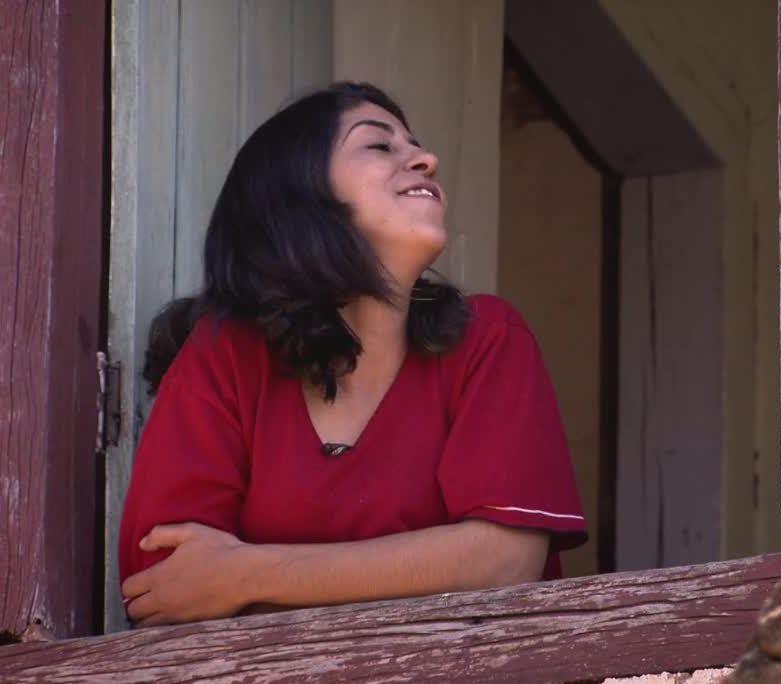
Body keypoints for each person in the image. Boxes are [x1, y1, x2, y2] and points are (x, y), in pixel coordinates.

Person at [118, 82, 586, 628]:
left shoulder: (487, 339)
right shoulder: (225, 358)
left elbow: (504, 561)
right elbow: (165, 589)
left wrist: (244, 575)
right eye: (379, 145)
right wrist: (431, 573)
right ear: (300, 194)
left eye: (415, 145)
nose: (425, 160)